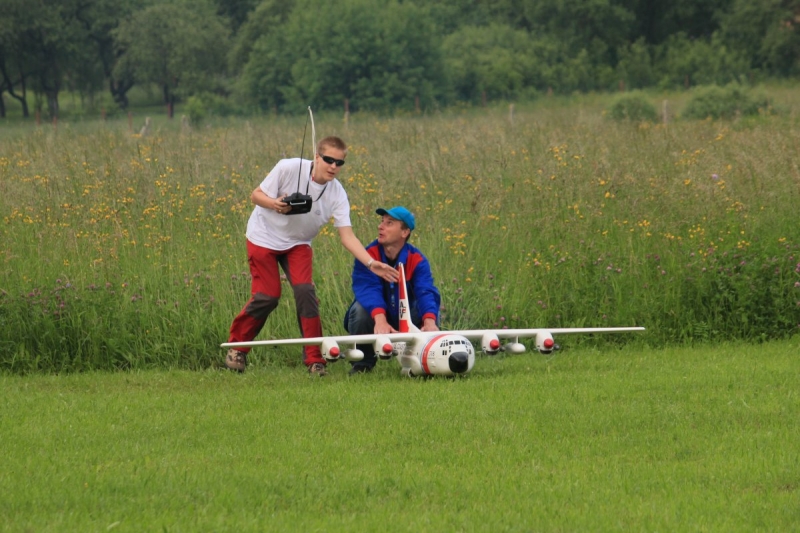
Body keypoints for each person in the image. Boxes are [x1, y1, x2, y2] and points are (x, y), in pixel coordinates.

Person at [225, 136, 399, 376]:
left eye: (340, 163)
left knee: (305, 292)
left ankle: (315, 360)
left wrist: (371, 263)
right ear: (316, 157)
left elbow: (347, 236)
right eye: (328, 160)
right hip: (263, 237)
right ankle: (237, 348)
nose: (333, 167)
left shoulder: (337, 194)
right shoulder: (288, 167)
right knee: (268, 295)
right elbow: (255, 195)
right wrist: (275, 204)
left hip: (298, 243)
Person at [344, 206, 441, 375]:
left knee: (430, 313)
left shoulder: (417, 259)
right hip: (378, 315)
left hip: (408, 314)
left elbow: (425, 291)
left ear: (404, 233)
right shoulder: (368, 256)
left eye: (389, 223)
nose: (381, 227)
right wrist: (380, 319)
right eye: (382, 222)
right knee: (360, 311)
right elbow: (368, 289)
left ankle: (427, 358)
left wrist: (429, 321)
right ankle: (363, 364)